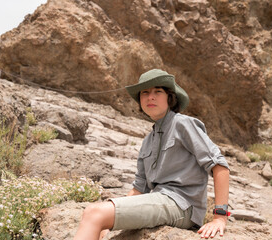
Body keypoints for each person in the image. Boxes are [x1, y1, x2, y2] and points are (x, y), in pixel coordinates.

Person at [74, 69, 230, 240]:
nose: (150, 97)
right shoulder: (148, 140)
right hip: (160, 200)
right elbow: (138, 188)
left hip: (182, 205)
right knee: (99, 218)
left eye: (158, 91)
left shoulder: (183, 124)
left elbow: (219, 166)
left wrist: (220, 217)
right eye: (145, 93)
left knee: (93, 213)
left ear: (170, 98)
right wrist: (109, 219)